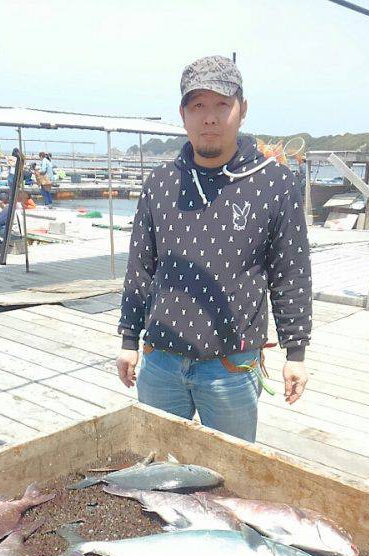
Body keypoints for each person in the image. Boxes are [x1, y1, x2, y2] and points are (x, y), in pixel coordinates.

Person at [116, 55, 312, 443]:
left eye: (222, 104)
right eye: (198, 105)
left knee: (230, 480)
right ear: (183, 114)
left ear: (242, 110)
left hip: (231, 367)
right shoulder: (159, 183)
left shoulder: (274, 182)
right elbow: (140, 267)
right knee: (154, 469)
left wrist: (296, 352)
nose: (209, 117)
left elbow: (292, 273)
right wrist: (128, 340)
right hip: (160, 362)